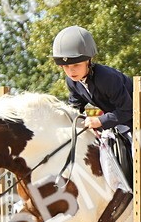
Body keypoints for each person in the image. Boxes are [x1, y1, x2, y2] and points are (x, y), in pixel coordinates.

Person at [52, 25, 134, 185]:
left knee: (137, 155)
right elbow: (75, 108)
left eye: (76, 65)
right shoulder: (72, 82)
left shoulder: (107, 78)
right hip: (118, 124)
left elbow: (127, 110)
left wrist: (100, 121)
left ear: (88, 61)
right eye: (66, 67)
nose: (71, 71)